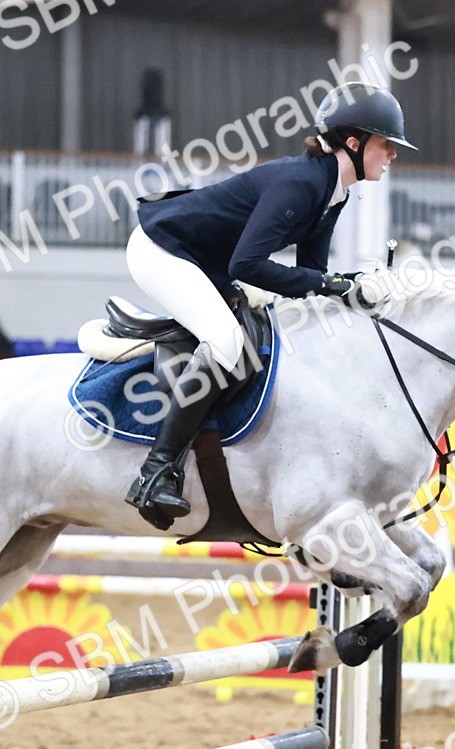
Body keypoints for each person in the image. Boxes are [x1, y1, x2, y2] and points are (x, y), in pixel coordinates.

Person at [123, 82, 417, 529]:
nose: (392, 155)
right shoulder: (301, 183)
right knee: (225, 342)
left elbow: (311, 277)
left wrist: (351, 288)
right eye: (385, 144)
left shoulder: (333, 191)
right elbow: (251, 264)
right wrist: (331, 283)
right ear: (353, 143)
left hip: (204, 260)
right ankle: (156, 472)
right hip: (162, 249)